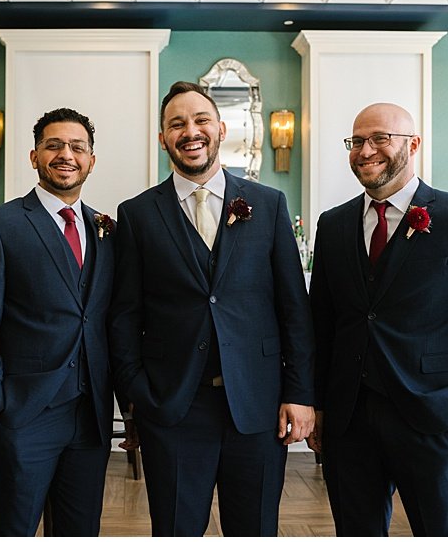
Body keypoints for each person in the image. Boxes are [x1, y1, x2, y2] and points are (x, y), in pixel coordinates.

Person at [306, 102, 448, 536]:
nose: (365, 150)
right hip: (348, 418)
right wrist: (318, 404)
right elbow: (323, 324)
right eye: (357, 141)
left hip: (432, 414)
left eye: (379, 139)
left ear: (413, 145)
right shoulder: (333, 225)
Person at [108, 81, 315, 536]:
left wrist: (299, 394)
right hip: (175, 407)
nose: (190, 131)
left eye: (201, 120)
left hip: (258, 406)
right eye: (176, 124)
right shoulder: (138, 214)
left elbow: (293, 309)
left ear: (221, 129)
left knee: (255, 529)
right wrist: (138, 397)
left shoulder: (268, 204)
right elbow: (125, 318)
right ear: (163, 138)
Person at [0, 108, 119, 536]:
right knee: (13, 527)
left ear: (91, 160)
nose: (66, 154)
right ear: (34, 156)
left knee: (80, 530)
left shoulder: (107, 229)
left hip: (92, 415)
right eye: (54, 145)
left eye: (77, 147)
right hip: (24, 412)